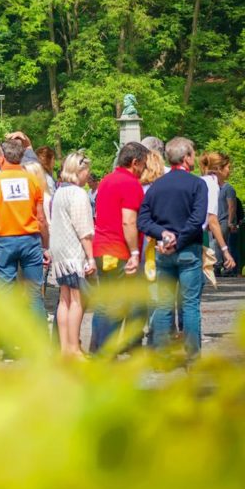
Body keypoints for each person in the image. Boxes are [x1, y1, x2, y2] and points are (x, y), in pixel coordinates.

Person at [138, 137, 208, 357]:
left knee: (164, 305)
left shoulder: (157, 186)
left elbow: (143, 221)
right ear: (186, 157)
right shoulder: (197, 184)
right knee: (189, 305)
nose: (194, 157)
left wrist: (163, 234)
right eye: (193, 154)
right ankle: (192, 356)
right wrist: (179, 239)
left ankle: (161, 355)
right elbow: (197, 219)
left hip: (163, 252)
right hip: (188, 251)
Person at [0, 138, 50, 321]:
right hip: (31, 241)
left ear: (1, 156)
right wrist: (46, 246)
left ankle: (10, 346)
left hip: (5, 242)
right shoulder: (33, 181)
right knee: (34, 295)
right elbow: (41, 219)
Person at [90, 142, 148, 353]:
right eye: (143, 164)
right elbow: (128, 221)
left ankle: (97, 348)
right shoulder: (130, 183)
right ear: (135, 162)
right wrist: (134, 252)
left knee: (105, 302)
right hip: (118, 250)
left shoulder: (106, 180)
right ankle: (106, 353)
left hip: (101, 248)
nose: (144, 170)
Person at [50, 153, 95, 356]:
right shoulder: (78, 193)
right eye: (87, 171)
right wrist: (91, 257)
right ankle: (74, 349)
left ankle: (63, 349)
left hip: (59, 252)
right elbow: (84, 229)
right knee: (77, 300)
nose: (89, 175)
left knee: (64, 300)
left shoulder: (59, 191)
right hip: (73, 253)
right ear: (80, 171)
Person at [200, 152, 237, 276]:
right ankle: (217, 266)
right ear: (218, 169)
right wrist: (226, 251)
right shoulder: (211, 184)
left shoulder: (205, 181)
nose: (229, 171)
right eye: (228, 167)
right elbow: (212, 219)